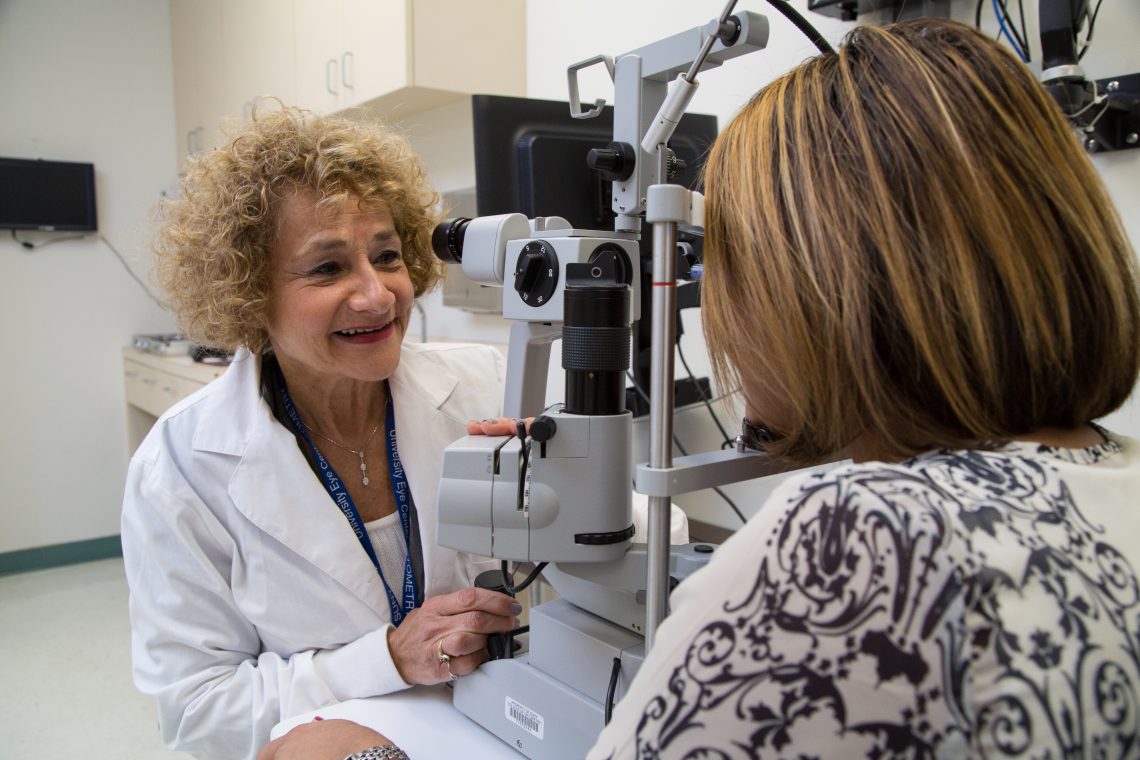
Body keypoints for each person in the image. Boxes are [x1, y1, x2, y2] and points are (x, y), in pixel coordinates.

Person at [261, 17, 1140, 760]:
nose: (715, 303)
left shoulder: (861, 544)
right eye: (326, 266)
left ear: (821, 288)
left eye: (725, 260)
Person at [122, 105, 521, 760]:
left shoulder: (483, 384)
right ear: (249, 293)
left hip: (491, 729)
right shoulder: (183, 465)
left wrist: (574, 485)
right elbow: (198, 710)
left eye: (387, 256)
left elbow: (640, 547)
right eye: (328, 268)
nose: (376, 294)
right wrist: (387, 659)